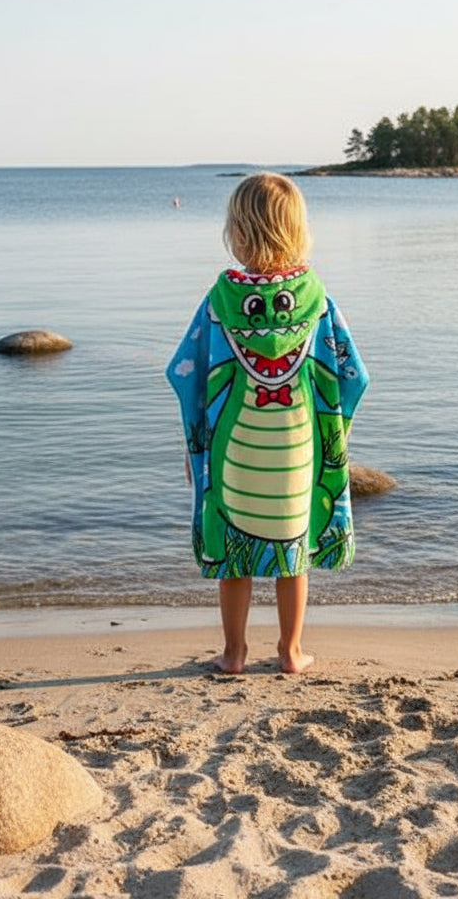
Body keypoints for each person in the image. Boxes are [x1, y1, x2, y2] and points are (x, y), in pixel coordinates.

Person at [166, 172, 369, 674]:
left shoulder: (220, 301)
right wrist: (334, 438)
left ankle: (234, 654)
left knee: (233, 551)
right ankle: (291, 651)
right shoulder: (317, 299)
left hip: (234, 449)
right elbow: (352, 375)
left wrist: (195, 447)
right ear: (297, 231)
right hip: (297, 447)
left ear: (238, 231)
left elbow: (185, 371)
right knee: (292, 546)